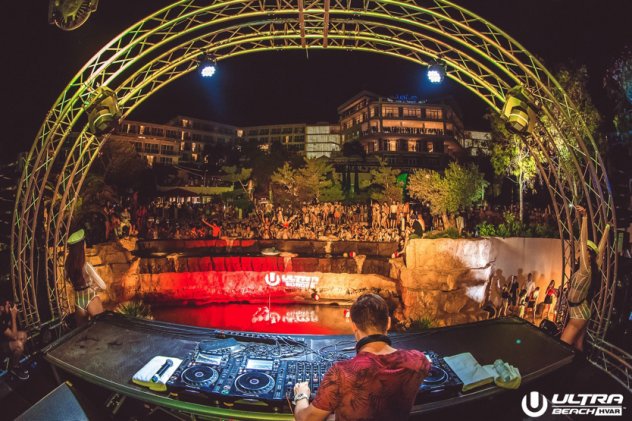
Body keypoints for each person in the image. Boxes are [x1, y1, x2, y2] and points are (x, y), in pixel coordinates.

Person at [292, 293, 430, 421]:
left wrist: (301, 395)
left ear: (354, 326)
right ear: (388, 323)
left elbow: (306, 419)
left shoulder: (341, 373)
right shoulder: (418, 361)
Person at [561, 206, 610, 351]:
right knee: (578, 346)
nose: (581, 252)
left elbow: (583, 242)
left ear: (589, 255)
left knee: (561, 348)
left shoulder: (585, 269)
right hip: (581, 311)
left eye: (586, 251)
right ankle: (580, 365)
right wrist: (607, 228)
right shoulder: (593, 268)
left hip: (578, 314)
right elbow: (601, 250)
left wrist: (585, 217)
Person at [65, 229, 106, 325]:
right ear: (82, 246)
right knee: (101, 328)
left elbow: (68, 280)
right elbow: (103, 286)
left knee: (83, 331)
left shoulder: (67, 266)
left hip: (78, 302)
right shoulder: (86, 266)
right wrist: (93, 287)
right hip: (91, 298)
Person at [1, 300, 29, 380]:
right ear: (1, 308)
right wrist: (13, 316)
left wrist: (12, 315)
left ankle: (12, 361)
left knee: (23, 335)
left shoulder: (4, 314)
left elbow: (13, 333)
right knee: (19, 345)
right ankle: (14, 367)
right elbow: (14, 337)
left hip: (3, 341)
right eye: (7, 305)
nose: (9, 306)